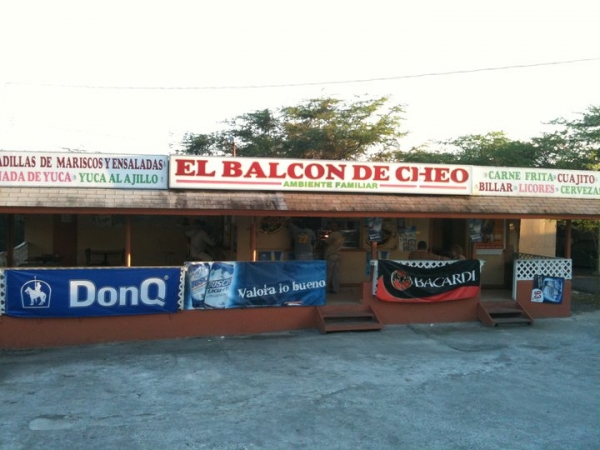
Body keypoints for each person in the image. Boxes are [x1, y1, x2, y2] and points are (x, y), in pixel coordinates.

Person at [323, 221, 344, 293]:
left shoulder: (333, 234)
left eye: (334, 226)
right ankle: (336, 289)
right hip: (338, 255)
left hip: (331, 255)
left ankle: (325, 289)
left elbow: (325, 242)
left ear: (337, 227)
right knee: (336, 274)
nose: (332, 227)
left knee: (328, 273)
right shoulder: (340, 234)